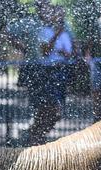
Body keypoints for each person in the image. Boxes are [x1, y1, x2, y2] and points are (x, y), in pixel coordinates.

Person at [26, 5, 73, 146]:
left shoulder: (65, 34)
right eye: (56, 16)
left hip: (60, 72)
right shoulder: (43, 31)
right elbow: (45, 51)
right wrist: (56, 37)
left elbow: (68, 54)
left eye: (61, 16)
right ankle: (35, 136)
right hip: (47, 72)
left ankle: (37, 134)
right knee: (47, 108)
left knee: (57, 111)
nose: (59, 19)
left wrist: (60, 48)